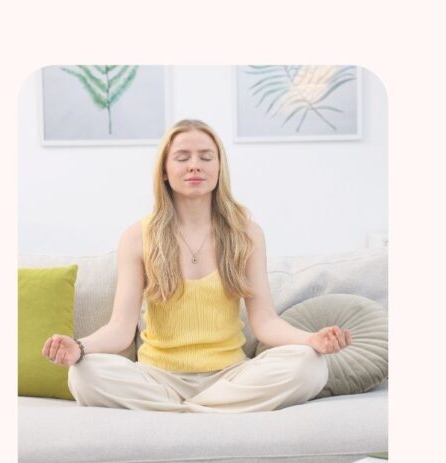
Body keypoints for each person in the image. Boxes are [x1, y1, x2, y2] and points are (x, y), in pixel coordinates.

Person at [41, 119, 350, 413]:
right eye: (182, 157)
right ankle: (212, 409)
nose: (194, 165)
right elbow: (120, 330)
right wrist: (79, 348)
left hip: (231, 376)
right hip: (157, 379)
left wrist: (310, 340)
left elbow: (265, 322)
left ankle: (183, 411)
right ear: (164, 170)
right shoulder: (137, 236)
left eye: (205, 157)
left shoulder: (246, 232)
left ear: (218, 168)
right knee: (83, 374)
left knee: (310, 365)